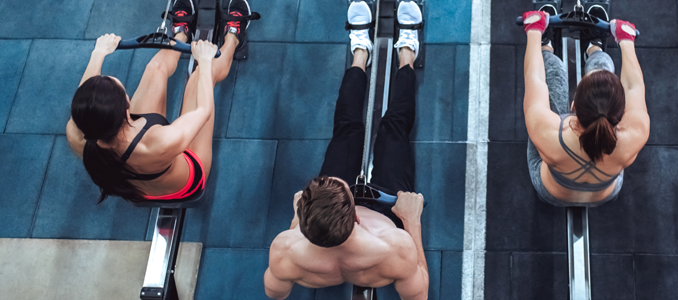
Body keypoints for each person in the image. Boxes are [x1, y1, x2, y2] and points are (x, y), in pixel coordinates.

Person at [264, 1, 428, 299]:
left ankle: (360, 52)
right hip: (388, 208)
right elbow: (418, 295)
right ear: (356, 216)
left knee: (348, 128)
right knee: (394, 127)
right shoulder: (394, 248)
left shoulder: (285, 251)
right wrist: (411, 220)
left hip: (321, 237)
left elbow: (275, 293)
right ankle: (407, 53)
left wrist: (294, 223)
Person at [65, 0, 254, 202]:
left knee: (155, 68)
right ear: (126, 107)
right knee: (199, 79)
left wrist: (98, 54)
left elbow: (85, 95)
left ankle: (181, 34)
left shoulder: (79, 134)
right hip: (186, 182)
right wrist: (206, 61)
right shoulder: (158, 142)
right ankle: (233, 37)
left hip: (139, 177)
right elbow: (204, 110)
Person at [520, 5, 651, 206]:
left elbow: (534, 78)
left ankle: (545, 46)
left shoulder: (548, 132)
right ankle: (594, 48)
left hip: (552, 192)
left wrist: (535, 31)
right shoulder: (636, 133)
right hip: (604, 194)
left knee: (553, 77)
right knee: (603, 70)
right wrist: (626, 41)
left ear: (573, 106)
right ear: (621, 113)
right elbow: (634, 87)